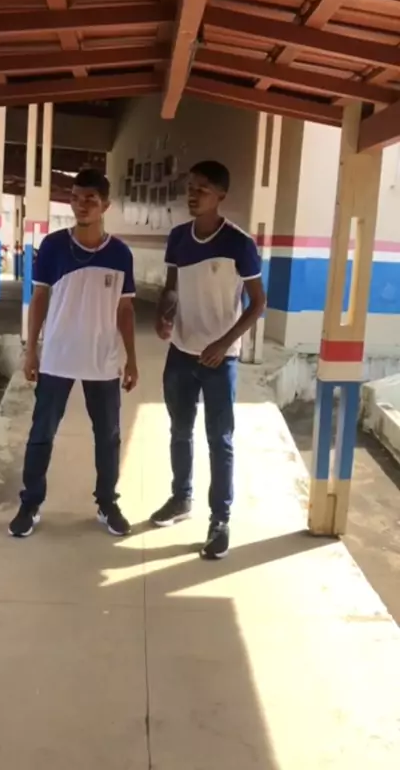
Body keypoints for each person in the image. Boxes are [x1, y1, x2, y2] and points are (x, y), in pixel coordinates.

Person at [8, 168, 138, 539]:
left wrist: (131, 358)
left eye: (90, 199)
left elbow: (125, 309)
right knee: (42, 432)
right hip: (57, 357)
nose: (82, 205)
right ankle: (30, 504)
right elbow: (39, 297)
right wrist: (31, 350)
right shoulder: (52, 246)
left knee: (108, 436)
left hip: (102, 360)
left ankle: (107, 503)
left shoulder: (120, 253)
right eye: (76, 198)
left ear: (105, 205)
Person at [151, 160, 266, 560]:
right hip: (181, 352)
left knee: (220, 439)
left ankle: (220, 520)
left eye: (202, 188)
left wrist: (224, 343)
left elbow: (258, 303)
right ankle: (181, 498)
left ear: (221, 196)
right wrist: (164, 314)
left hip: (220, 359)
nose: (193, 194)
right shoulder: (178, 238)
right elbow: (171, 287)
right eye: (191, 187)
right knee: (179, 430)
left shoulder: (239, 243)